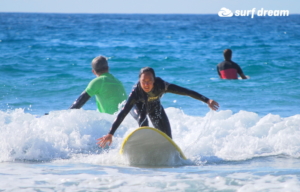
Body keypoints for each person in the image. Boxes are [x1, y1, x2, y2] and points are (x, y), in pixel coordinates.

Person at [97, 67, 219, 148]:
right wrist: (110, 133)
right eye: (143, 81)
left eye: (149, 81)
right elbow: (123, 112)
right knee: (143, 121)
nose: (146, 84)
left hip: (155, 107)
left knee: (168, 138)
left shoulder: (162, 85)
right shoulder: (136, 92)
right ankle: (145, 149)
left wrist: (207, 100)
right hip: (138, 108)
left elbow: (185, 91)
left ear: (154, 81)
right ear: (139, 80)